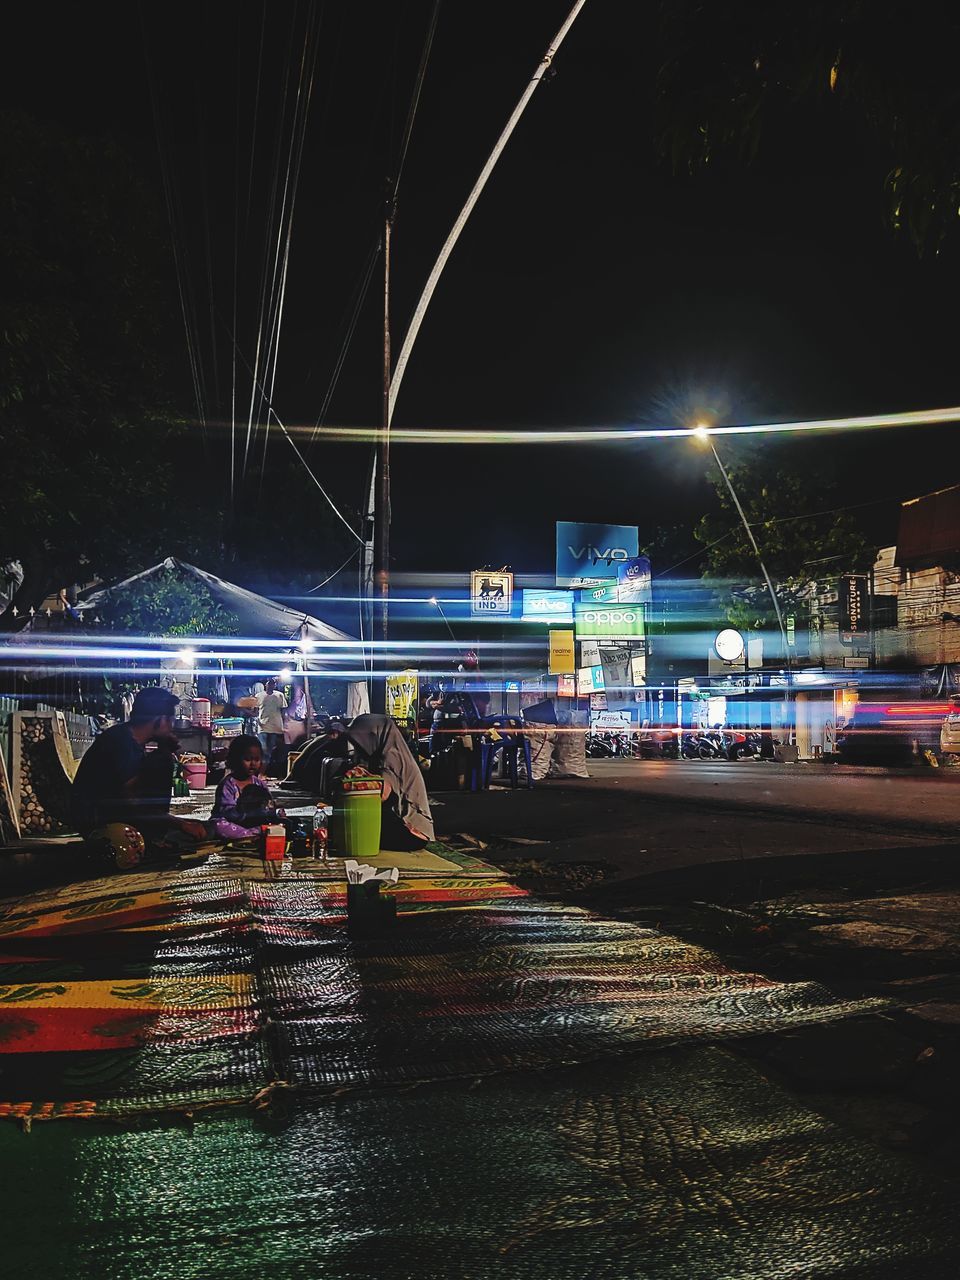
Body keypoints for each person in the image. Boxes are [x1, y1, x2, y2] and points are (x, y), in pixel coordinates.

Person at [71, 686, 208, 846]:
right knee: (161, 763)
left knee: (206, 829)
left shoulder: (128, 737)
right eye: (170, 719)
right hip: (100, 823)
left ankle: (155, 835)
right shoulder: (122, 743)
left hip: (114, 815)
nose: (172, 726)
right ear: (160, 719)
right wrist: (181, 824)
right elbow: (132, 803)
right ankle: (152, 838)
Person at [286, 713, 434, 850]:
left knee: (342, 828)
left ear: (372, 737)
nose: (358, 747)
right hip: (396, 824)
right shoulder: (379, 755)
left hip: (409, 832)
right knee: (337, 825)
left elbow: (378, 796)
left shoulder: (392, 758)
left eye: (359, 741)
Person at [211, 735, 283, 840]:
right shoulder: (228, 785)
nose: (253, 764)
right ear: (235, 759)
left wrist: (276, 812)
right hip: (233, 824)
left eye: (257, 759)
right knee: (218, 825)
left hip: (255, 822)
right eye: (248, 759)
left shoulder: (260, 783)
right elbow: (227, 813)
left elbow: (269, 805)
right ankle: (252, 833)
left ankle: (256, 832)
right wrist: (246, 812)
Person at [257, 677, 287, 773]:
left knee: (269, 752)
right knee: (263, 749)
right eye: (269, 683)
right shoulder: (259, 696)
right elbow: (254, 710)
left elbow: (283, 710)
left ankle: (262, 773)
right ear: (266, 685)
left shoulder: (279, 695)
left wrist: (285, 724)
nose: (270, 685)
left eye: (272, 684)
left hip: (275, 727)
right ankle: (260, 772)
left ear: (275, 685)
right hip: (263, 727)